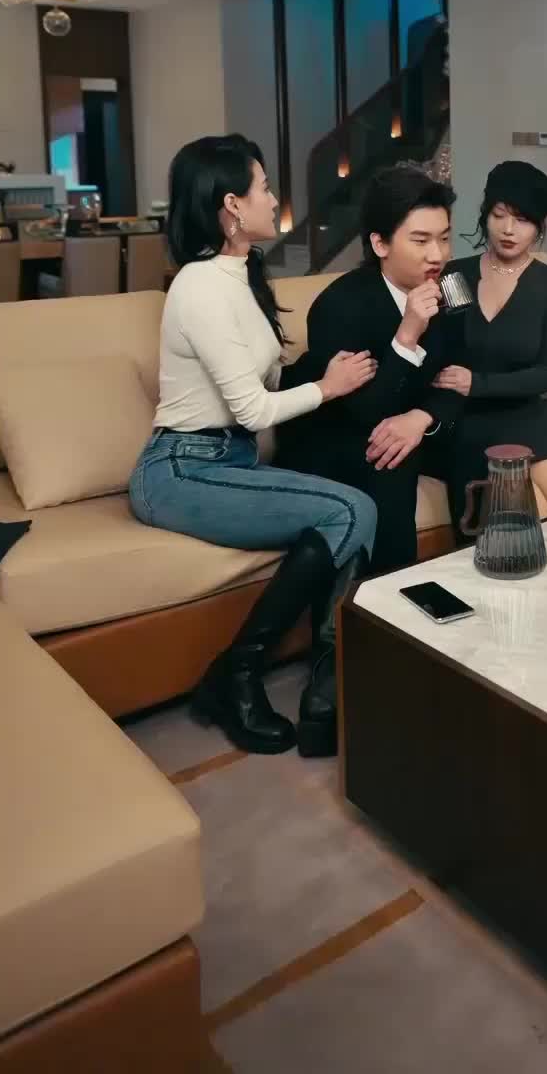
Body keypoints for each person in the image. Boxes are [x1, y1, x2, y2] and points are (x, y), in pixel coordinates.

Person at [129, 135, 379, 758]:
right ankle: (237, 675)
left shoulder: (243, 277)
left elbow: (266, 383)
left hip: (229, 461)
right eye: (264, 187)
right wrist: (327, 387)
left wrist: (334, 372)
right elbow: (251, 410)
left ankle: (326, 685)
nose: (274, 198)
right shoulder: (199, 286)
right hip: (180, 470)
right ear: (233, 206)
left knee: (354, 501)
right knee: (352, 510)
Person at [276, 164, 462, 575]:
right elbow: (369, 411)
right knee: (390, 454)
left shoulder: (450, 286)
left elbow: (459, 376)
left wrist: (422, 417)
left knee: (486, 436)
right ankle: (387, 595)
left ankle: (485, 567)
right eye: (421, 240)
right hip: (335, 435)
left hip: (405, 421)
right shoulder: (339, 306)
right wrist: (408, 334)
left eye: (445, 238)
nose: (438, 255)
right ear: (380, 243)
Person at [436, 160, 547, 518]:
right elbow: (445, 350)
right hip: (468, 420)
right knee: (537, 523)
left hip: (526, 415)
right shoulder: (455, 276)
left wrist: (477, 383)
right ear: (485, 214)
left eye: (522, 220)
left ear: (540, 225)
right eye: (499, 215)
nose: (508, 229)